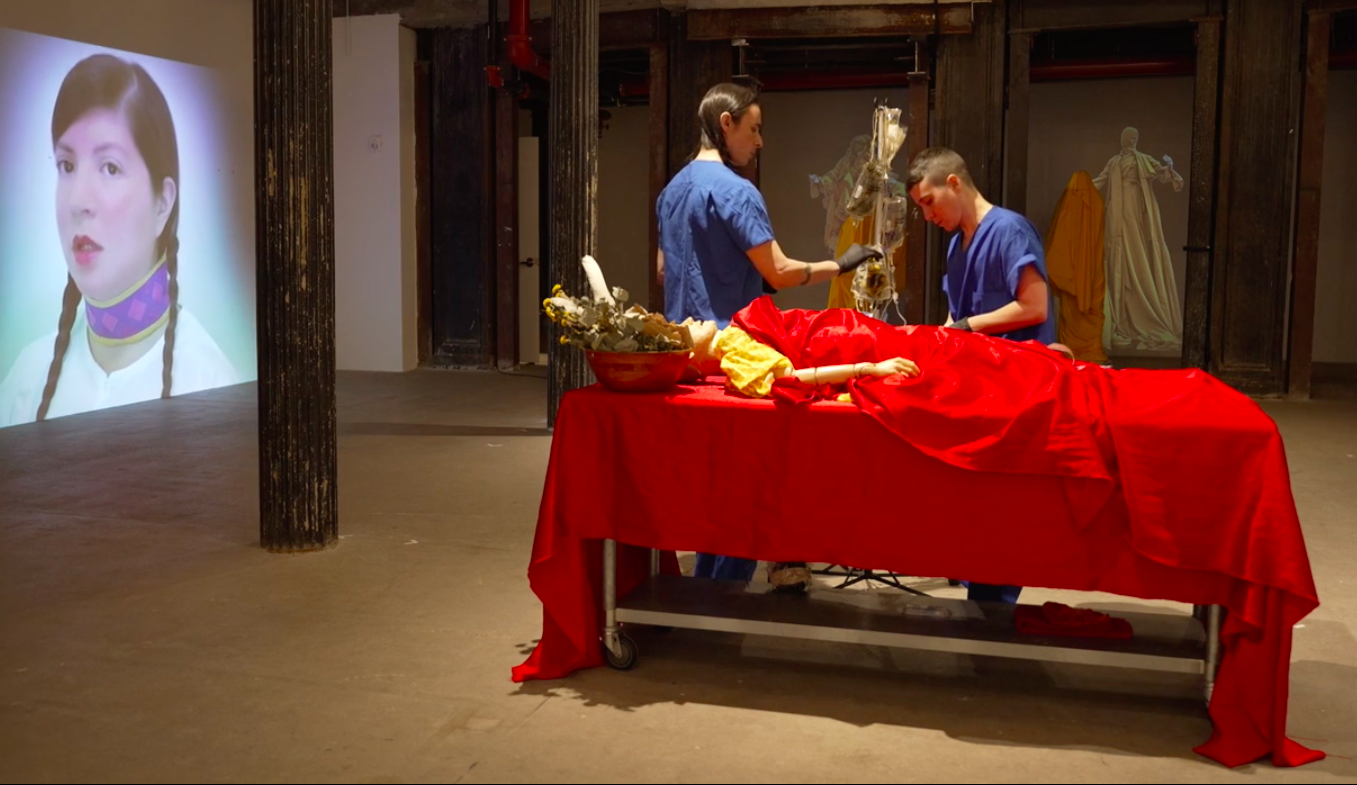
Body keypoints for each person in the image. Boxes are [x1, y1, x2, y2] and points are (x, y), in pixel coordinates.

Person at [656, 82, 883, 590]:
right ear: (726, 124)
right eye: (754, 129)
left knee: (709, 488)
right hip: (734, 360)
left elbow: (664, 269)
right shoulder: (737, 192)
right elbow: (779, 270)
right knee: (747, 489)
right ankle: (722, 597)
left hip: (683, 358)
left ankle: (704, 592)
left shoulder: (672, 191)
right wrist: (840, 265)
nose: (759, 142)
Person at [0, 54, 237, 427]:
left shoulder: (212, 387)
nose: (78, 200)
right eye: (67, 166)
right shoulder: (25, 384)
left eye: (110, 167)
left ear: (162, 204)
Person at [906, 146, 1057, 605]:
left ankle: (994, 615)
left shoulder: (1009, 229)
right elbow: (956, 318)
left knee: (1004, 514)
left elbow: (1034, 306)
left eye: (929, 202)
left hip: (1018, 393)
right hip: (978, 395)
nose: (927, 216)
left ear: (953, 183)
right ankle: (981, 601)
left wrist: (967, 327)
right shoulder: (958, 245)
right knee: (972, 507)